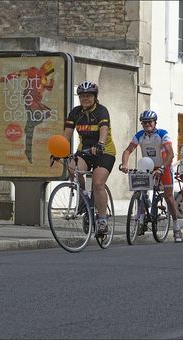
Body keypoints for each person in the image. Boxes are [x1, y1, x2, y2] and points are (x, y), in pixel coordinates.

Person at [119, 110, 182, 242]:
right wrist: (124, 163)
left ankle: (177, 228)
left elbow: (170, 153)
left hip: (163, 166)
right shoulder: (140, 135)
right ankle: (141, 219)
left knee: (169, 197)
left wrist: (163, 168)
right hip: (147, 166)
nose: (147, 124)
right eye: (144, 122)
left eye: (150, 122)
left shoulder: (162, 134)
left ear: (155, 123)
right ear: (142, 124)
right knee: (141, 191)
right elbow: (128, 150)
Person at [63, 81, 116, 236]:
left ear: (94, 97)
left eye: (88, 96)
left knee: (98, 183)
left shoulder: (101, 111)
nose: (85, 98)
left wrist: (100, 144)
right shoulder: (75, 113)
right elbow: (66, 134)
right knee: (72, 167)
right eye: (82, 96)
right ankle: (83, 199)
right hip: (85, 151)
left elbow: (104, 130)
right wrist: (57, 150)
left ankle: (102, 220)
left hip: (104, 152)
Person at [0, 61, 55, 164]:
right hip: (30, 101)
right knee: (32, 125)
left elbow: (50, 87)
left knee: (44, 115)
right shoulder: (33, 71)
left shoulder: (44, 78)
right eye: (49, 70)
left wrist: (52, 78)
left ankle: (28, 148)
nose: (48, 72)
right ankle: (28, 149)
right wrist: (7, 78)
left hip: (36, 103)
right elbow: (19, 73)